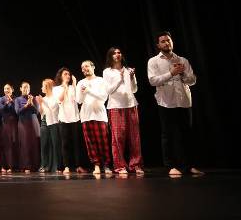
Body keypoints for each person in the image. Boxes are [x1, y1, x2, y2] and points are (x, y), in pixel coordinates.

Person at [147, 31, 202, 176]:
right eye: (163, 41)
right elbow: (153, 81)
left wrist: (183, 73)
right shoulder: (153, 61)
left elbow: (193, 80)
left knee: (186, 134)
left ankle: (188, 165)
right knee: (168, 134)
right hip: (166, 101)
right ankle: (170, 166)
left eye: (168, 40)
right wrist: (171, 73)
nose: (166, 43)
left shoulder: (182, 60)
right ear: (158, 45)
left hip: (184, 101)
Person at [103, 47, 144, 175]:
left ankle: (135, 165)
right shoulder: (107, 72)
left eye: (119, 52)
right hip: (115, 106)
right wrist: (120, 78)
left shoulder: (128, 70)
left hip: (131, 104)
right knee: (118, 138)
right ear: (110, 56)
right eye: (114, 53)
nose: (117, 54)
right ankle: (120, 166)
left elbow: (134, 89)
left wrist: (131, 77)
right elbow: (109, 90)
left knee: (134, 137)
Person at [76, 60, 111, 175]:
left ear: (93, 67)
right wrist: (83, 92)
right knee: (90, 143)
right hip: (86, 116)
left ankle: (106, 165)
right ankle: (96, 165)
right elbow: (79, 100)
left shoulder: (101, 80)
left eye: (86, 66)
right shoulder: (81, 82)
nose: (84, 69)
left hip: (99, 115)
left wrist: (88, 91)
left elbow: (103, 98)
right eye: (82, 67)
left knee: (103, 142)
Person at [53, 67, 86, 175]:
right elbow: (60, 100)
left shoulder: (73, 87)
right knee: (65, 143)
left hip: (75, 118)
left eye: (69, 74)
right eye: (65, 74)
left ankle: (78, 166)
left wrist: (75, 85)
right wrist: (65, 88)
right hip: (63, 119)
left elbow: (78, 100)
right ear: (61, 76)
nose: (68, 76)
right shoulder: (56, 88)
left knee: (77, 143)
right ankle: (66, 166)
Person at [15, 82, 40, 173]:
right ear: (21, 88)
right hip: (22, 123)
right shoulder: (18, 99)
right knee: (25, 144)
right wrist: (26, 105)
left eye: (28, 87)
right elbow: (17, 111)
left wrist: (31, 103)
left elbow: (37, 112)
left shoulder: (33, 98)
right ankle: (26, 165)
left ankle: (34, 165)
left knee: (33, 143)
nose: (26, 89)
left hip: (32, 123)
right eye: (24, 87)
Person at [39, 79, 62, 173]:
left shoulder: (55, 97)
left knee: (55, 144)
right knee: (44, 144)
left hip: (54, 122)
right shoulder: (43, 99)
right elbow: (41, 113)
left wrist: (43, 102)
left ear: (48, 87)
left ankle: (57, 166)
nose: (41, 88)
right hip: (44, 121)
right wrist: (40, 103)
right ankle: (44, 165)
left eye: (43, 86)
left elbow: (53, 110)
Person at [0, 84, 17, 174]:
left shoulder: (16, 99)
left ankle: (16, 165)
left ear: (12, 89)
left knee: (15, 143)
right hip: (5, 123)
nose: (6, 90)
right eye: (5, 89)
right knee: (7, 144)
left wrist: (12, 102)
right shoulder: (1, 99)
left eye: (8, 88)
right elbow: (0, 110)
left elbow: (16, 111)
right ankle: (8, 166)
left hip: (14, 123)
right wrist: (7, 103)